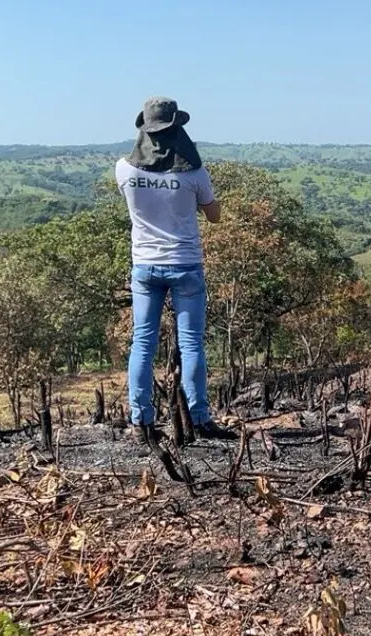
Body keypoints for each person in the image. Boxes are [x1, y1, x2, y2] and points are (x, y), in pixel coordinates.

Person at [116, 96, 236, 468]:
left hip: (145, 267)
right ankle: (199, 418)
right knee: (191, 344)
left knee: (143, 342)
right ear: (178, 128)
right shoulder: (194, 173)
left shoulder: (124, 169)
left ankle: (141, 420)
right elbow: (214, 217)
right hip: (185, 264)